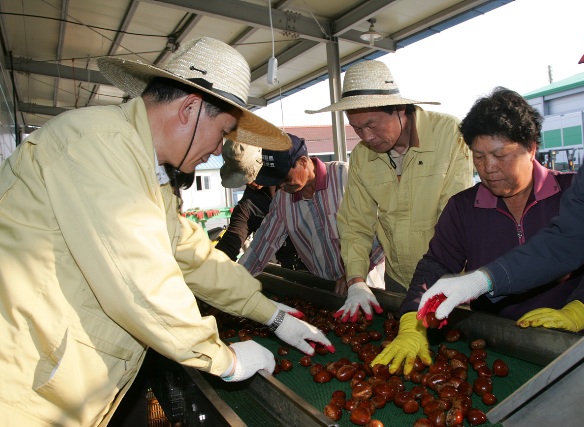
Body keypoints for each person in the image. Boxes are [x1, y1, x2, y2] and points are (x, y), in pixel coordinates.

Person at [0, 37, 334, 426]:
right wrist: (222, 358)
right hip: (25, 389)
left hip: (61, 382)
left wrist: (270, 313)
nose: (215, 151)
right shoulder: (96, 146)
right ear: (190, 109)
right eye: (224, 132)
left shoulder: (145, 171)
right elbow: (139, 281)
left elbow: (189, 253)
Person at [418, 0, 584, 327]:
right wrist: (482, 280)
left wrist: (582, 308)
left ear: (531, 148)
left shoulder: (568, 185)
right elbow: (568, 240)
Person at [372, 87, 584, 375]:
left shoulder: (576, 193)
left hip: (572, 343)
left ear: (531, 148)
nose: (488, 168)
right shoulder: (463, 208)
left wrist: (581, 310)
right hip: (496, 345)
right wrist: (411, 321)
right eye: (478, 157)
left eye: (500, 155)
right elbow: (435, 266)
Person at [305, 60, 474, 321]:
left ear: (399, 109)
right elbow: (355, 223)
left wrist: (425, 286)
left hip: (448, 279)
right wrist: (357, 281)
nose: (367, 137)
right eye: (357, 128)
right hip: (396, 280)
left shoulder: (450, 135)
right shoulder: (362, 157)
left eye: (372, 125)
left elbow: (453, 218)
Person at [239, 133, 385, 302]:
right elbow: (261, 246)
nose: (280, 185)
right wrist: (234, 283)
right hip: (325, 291)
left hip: (367, 285)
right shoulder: (282, 201)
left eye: (284, 178)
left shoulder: (346, 178)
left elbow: (383, 232)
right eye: (275, 181)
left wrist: (354, 274)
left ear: (302, 162)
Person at [215, 139, 303, 269]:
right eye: (245, 179)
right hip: (289, 271)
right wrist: (212, 266)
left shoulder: (295, 182)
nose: (250, 183)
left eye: (252, 175)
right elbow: (231, 242)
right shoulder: (249, 205)